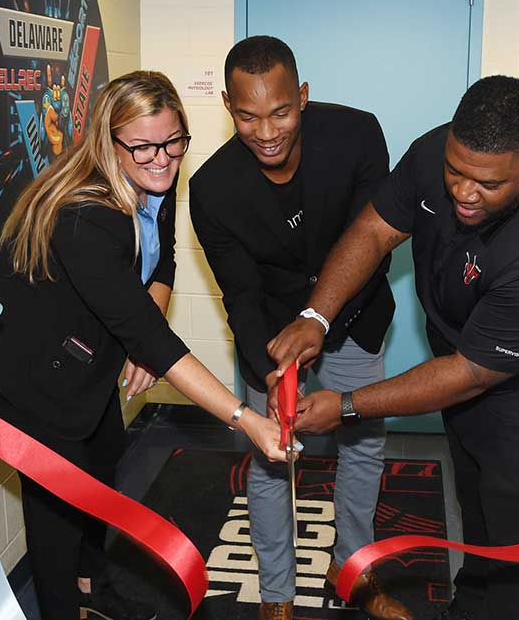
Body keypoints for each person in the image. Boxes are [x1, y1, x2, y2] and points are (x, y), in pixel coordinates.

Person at [268, 76, 519, 620]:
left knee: (516, 558)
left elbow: (471, 372)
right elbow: (374, 231)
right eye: (456, 172)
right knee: (475, 524)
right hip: (464, 369)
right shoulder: (436, 151)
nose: (464, 193)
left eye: (488, 184)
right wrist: (316, 316)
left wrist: (347, 405)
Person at [0, 70, 287, 620]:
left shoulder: (152, 182)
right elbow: (151, 339)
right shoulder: (88, 218)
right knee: (58, 509)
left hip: (84, 353)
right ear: (107, 142)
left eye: (173, 142)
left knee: (103, 466)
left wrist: (146, 322)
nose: (163, 158)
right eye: (141, 146)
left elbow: (158, 260)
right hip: (33, 372)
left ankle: (96, 589)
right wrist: (247, 419)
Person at [189, 36, 411, 620]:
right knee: (271, 458)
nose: (266, 130)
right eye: (247, 115)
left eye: (281, 111)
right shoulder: (210, 189)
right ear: (228, 107)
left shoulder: (358, 135)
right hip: (268, 333)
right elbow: (238, 289)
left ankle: (354, 572)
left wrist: (321, 319)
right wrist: (272, 363)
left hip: (355, 316)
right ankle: (276, 594)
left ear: (303, 97)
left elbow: (374, 246)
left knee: (362, 448)